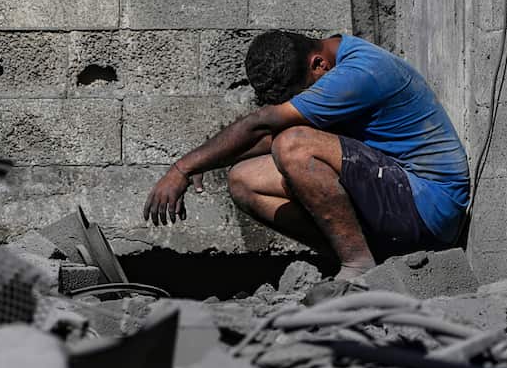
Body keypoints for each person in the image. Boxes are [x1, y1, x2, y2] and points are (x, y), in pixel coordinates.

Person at [143, 31, 470, 283]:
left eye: (299, 96)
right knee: (243, 180)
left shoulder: (360, 73)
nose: (300, 104)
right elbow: (265, 134)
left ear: (318, 64)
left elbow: (263, 125)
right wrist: (206, 160)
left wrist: (182, 167)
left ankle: (357, 265)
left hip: (429, 206)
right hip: (394, 199)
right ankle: (369, 258)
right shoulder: (334, 69)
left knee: (294, 145)